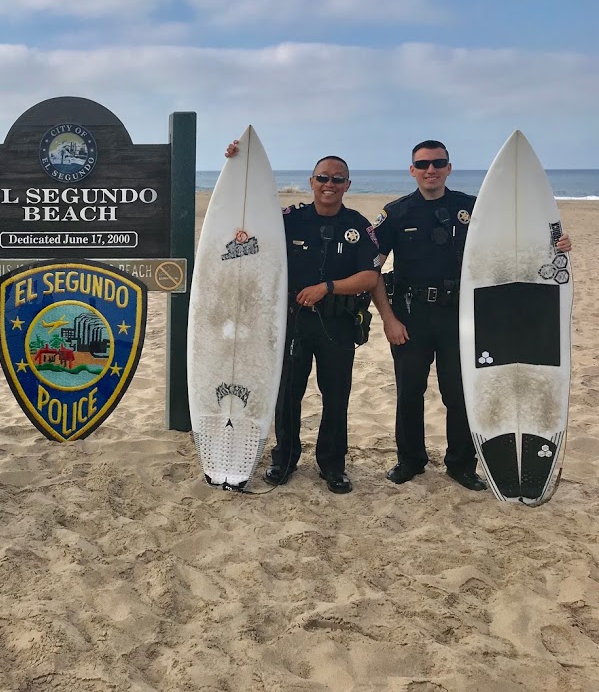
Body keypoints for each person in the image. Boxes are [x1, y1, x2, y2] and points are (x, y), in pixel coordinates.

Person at [369, 139, 572, 490]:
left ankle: (461, 465)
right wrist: (388, 319)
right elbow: (371, 270)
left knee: (460, 393)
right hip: (410, 316)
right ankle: (410, 461)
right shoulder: (396, 213)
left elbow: (513, 242)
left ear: (448, 168)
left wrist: (555, 243)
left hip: (459, 318)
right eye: (422, 164)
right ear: (412, 170)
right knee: (409, 392)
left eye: (438, 163)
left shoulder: (473, 210)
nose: (430, 169)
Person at [225, 143, 381, 493]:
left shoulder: (356, 225)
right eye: (323, 177)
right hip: (292, 322)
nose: (330, 184)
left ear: (347, 185)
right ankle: (285, 460)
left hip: (338, 324)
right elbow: (244, 221)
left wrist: (327, 287)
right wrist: (237, 166)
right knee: (288, 394)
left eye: (338, 179)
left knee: (336, 395)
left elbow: (370, 277)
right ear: (311, 182)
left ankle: (332, 465)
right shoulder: (289, 218)